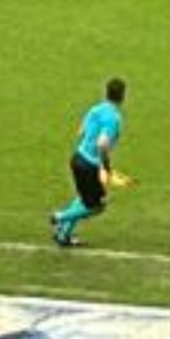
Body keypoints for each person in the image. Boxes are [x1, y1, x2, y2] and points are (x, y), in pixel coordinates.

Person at [51, 75, 132, 248]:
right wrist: (106, 166)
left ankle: (64, 235)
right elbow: (102, 144)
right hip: (90, 166)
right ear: (123, 96)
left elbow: (81, 132)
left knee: (83, 198)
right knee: (97, 206)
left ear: (106, 92)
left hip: (77, 158)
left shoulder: (95, 109)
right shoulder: (114, 118)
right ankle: (59, 217)